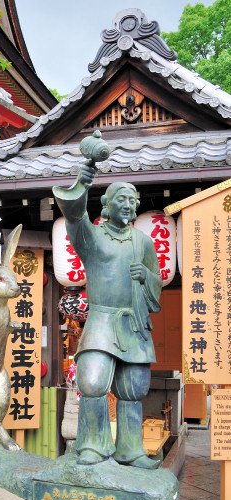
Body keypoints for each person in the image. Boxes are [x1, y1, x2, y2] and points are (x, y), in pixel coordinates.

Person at [53, 162, 162, 469]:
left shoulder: (143, 242)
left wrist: (146, 277)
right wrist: (82, 183)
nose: (128, 205)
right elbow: (74, 218)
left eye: (132, 200)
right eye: (121, 199)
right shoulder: (93, 237)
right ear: (106, 205)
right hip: (101, 321)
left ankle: (130, 449)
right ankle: (92, 446)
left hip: (133, 324)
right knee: (92, 382)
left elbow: (156, 284)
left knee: (133, 388)